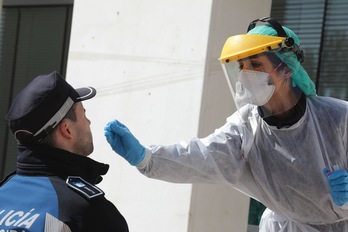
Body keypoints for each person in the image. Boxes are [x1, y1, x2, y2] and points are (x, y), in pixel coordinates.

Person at [104, 17, 348, 232]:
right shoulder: (246, 129)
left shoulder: (338, 118)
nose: (245, 75)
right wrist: (147, 158)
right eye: (241, 66)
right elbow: (200, 156)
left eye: (255, 64)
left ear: (284, 68)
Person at [0, 71, 129, 232]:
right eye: (84, 113)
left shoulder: (3, 193)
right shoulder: (88, 213)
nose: (89, 122)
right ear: (67, 130)